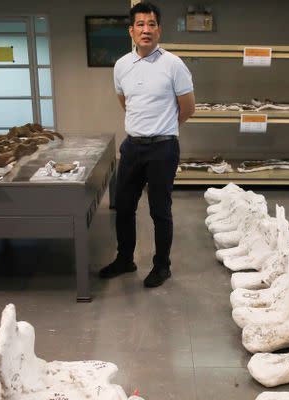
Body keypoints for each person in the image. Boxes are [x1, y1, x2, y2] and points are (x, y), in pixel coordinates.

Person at [99, 2, 195, 288]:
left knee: (159, 210)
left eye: (151, 24)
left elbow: (188, 108)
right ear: (131, 30)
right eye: (140, 24)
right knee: (124, 206)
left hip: (163, 149)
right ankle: (125, 260)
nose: (146, 30)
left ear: (159, 29)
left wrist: (162, 128)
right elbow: (125, 102)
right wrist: (142, 129)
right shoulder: (121, 66)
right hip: (132, 147)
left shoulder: (173, 64)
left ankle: (162, 266)